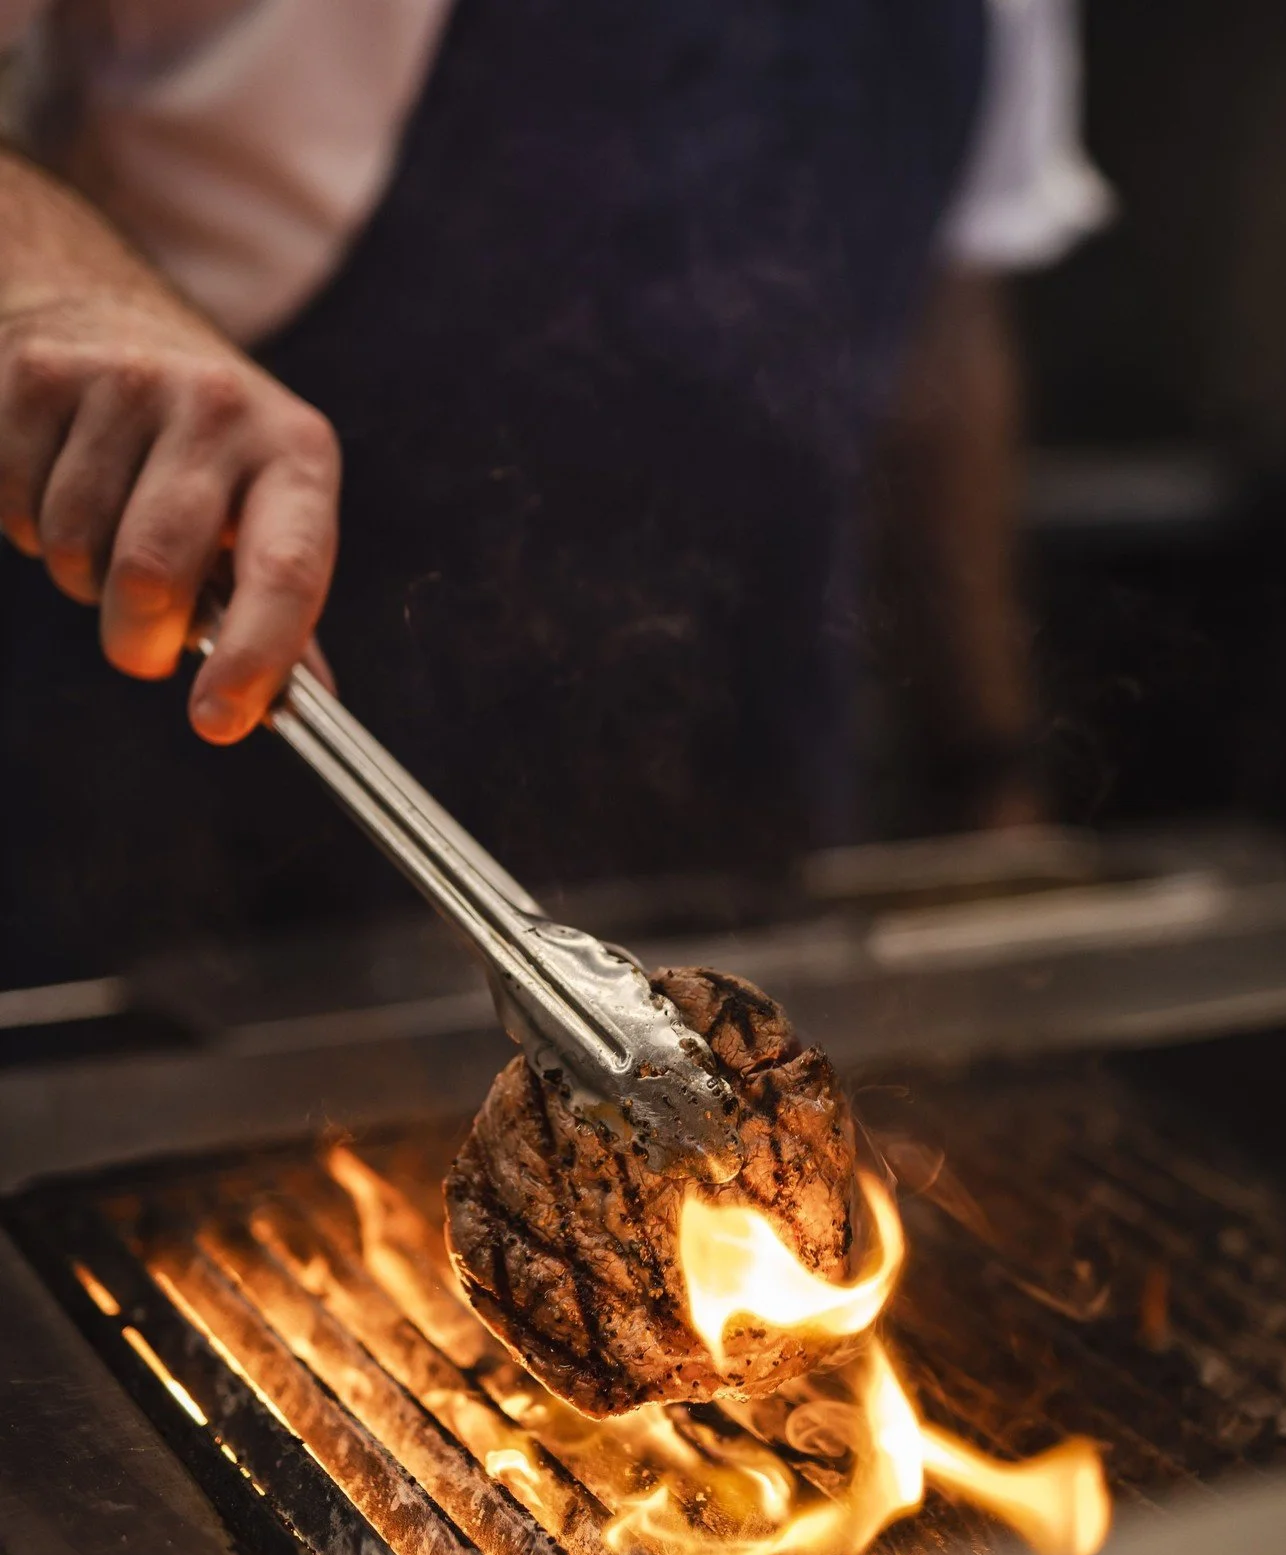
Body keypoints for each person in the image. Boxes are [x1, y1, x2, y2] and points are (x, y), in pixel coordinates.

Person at [0, 0, 1107, 985]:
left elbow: (947, 322)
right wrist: (58, 297)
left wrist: (988, 777)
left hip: (754, 836)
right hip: (203, 854)